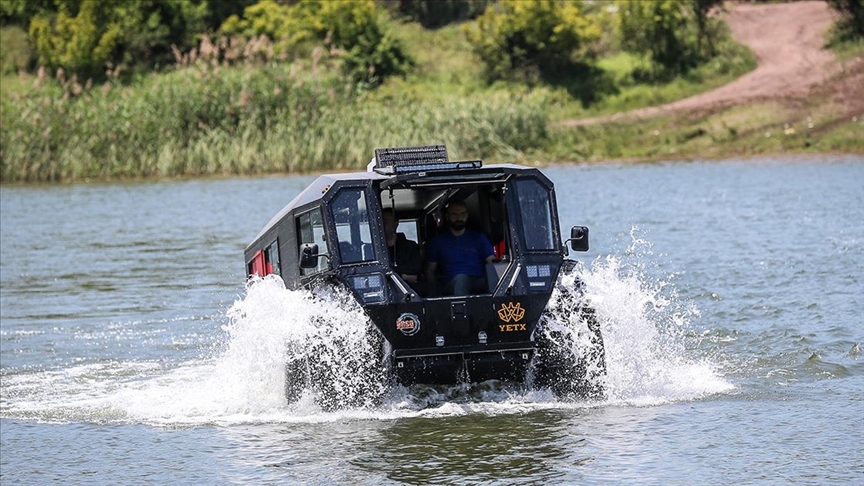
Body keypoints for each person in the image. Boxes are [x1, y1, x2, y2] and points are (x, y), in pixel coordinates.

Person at [425, 200, 495, 296]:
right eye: (454, 214)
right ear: (447, 216)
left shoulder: (479, 238)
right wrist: (433, 293)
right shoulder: (438, 241)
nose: (459, 218)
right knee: (461, 279)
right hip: (451, 283)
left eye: (462, 214)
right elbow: (430, 270)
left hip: (478, 280)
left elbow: (491, 261)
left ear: (467, 215)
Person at [382, 209, 422, 284]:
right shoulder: (372, 250)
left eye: (385, 222)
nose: (382, 225)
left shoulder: (411, 246)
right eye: (379, 223)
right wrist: (403, 276)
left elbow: (414, 270)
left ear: (396, 224)